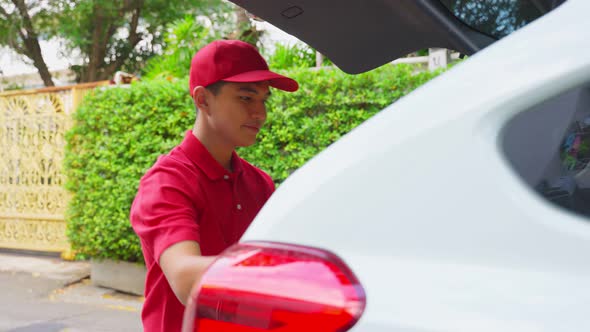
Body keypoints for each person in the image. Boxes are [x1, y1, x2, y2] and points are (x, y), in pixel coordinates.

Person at [129, 39, 299, 332]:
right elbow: (186, 278)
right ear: (203, 99)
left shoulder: (259, 183)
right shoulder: (167, 181)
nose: (260, 113)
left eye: (264, 100)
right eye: (246, 98)